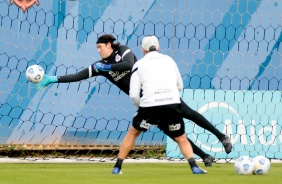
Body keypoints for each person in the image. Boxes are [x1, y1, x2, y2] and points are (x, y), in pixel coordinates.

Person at [37, 34, 232, 167]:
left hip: (157, 92)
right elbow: (79, 75)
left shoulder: (123, 50)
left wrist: (106, 69)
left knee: (189, 113)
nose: (98, 50)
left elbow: (129, 64)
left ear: (109, 45)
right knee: (174, 132)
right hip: (146, 102)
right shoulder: (100, 65)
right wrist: (54, 79)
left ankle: (221, 137)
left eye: (99, 47)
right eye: (96, 47)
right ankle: (205, 156)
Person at [112, 35, 207, 174]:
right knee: (181, 138)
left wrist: (139, 107)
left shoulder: (139, 65)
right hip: (172, 102)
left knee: (133, 133)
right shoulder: (169, 60)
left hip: (149, 105)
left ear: (143, 50)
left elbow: (133, 94)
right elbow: (180, 85)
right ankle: (194, 167)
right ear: (158, 47)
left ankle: (117, 167)